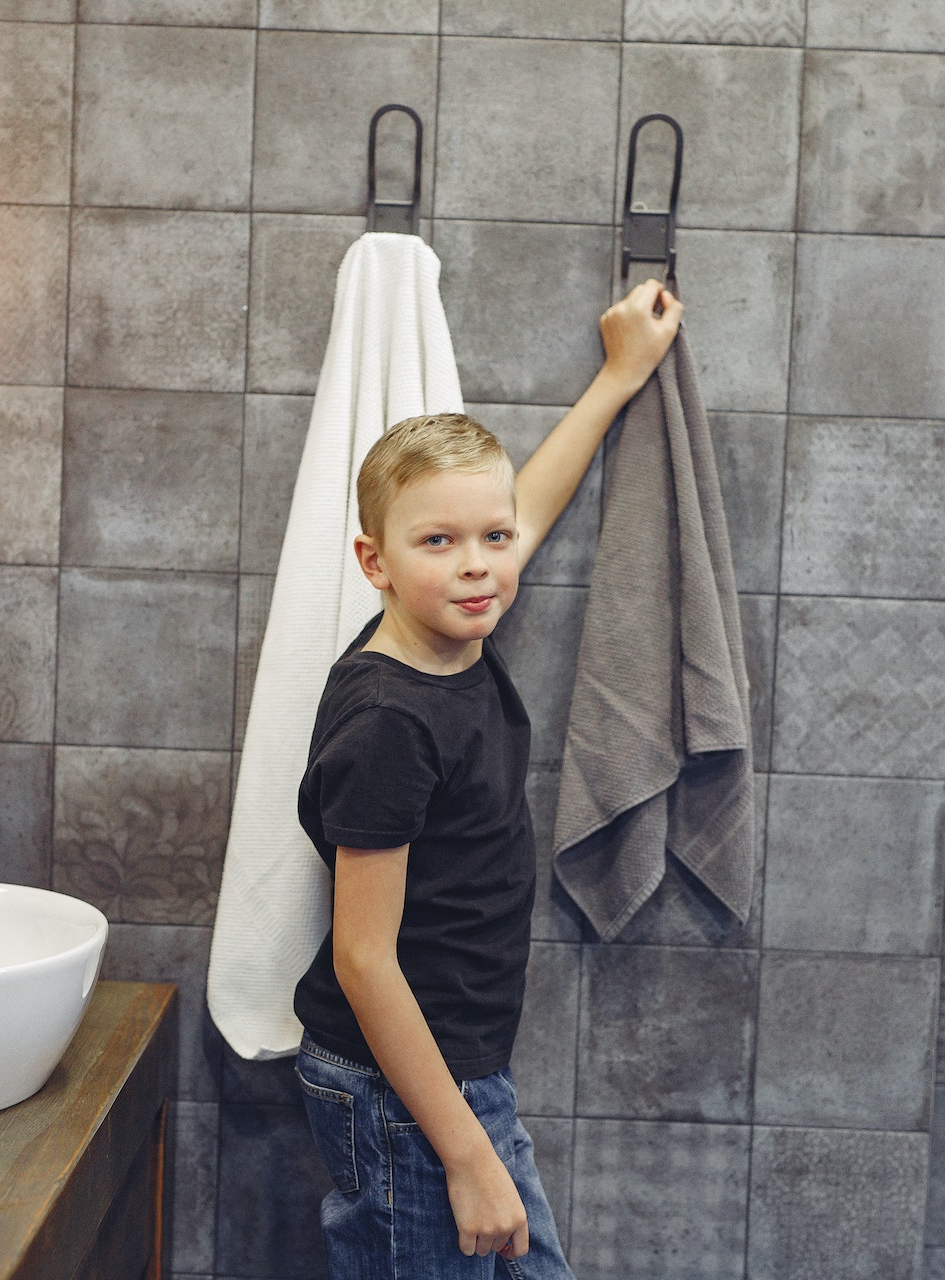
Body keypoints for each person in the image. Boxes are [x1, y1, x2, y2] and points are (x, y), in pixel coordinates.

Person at [291, 277, 684, 1276]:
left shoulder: (453, 623)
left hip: (454, 1075)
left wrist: (618, 377)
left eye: (492, 539)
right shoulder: (391, 722)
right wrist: (466, 1154)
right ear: (374, 562)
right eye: (439, 541)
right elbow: (363, 958)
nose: (478, 565)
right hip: (402, 1091)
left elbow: (527, 504)